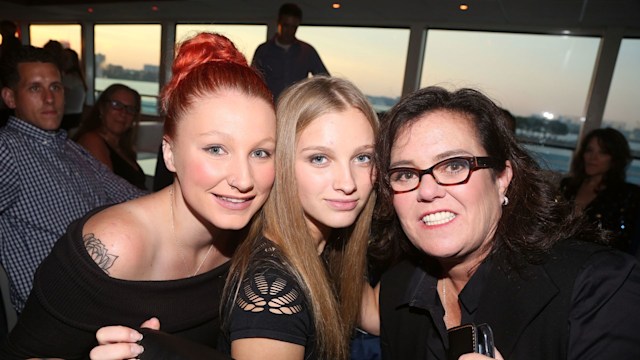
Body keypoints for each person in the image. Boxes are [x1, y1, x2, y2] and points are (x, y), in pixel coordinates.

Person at [0, 32, 276, 359]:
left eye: (261, 153)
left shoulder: (256, 235)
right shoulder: (111, 250)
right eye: (216, 149)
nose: (244, 180)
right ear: (169, 154)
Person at [88, 76, 379, 360]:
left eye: (363, 157)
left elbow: (374, 314)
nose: (348, 182)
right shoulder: (272, 294)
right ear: (282, 163)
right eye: (319, 158)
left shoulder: (327, 245)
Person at [371, 86, 640, 359]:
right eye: (405, 174)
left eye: (454, 165)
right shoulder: (397, 289)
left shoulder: (598, 286)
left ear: (502, 180)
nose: (427, 191)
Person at [0, 45, 144, 314]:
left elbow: (130, 195)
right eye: (35, 88)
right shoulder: (8, 149)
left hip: (105, 288)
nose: (49, 98)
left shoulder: (69, 147)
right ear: (10, 98)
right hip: (62, 306)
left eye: (55, 87)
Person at [560, 128, 640, 253]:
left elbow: (621, 243)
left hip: (596, 263)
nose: (592, 158)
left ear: (615, 159)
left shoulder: (626, 194)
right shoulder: (568, 185)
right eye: (589, 150)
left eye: (602, 152)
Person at [74, 83, 147, 189]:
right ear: (102, 108)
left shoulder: (123, 148)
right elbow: (110, 190)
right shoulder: (92, 141)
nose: (123, 113)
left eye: (130, 109)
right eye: (116, 105)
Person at [251, 3, 329, 99]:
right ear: (278, 23)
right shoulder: (263, 50)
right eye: (286, 26)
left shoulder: (307, 51)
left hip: (297, 109)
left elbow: (325, 81)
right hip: (271, 108)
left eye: (294, 27)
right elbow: (252, 81)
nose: (289, 31)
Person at [61, 48, 87, 131]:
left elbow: (59, 98)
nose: (63, 61)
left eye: (66, 58)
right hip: (76, 117)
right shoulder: (77, 77)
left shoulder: (70, 79)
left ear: (73, 62)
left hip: (68, 119)